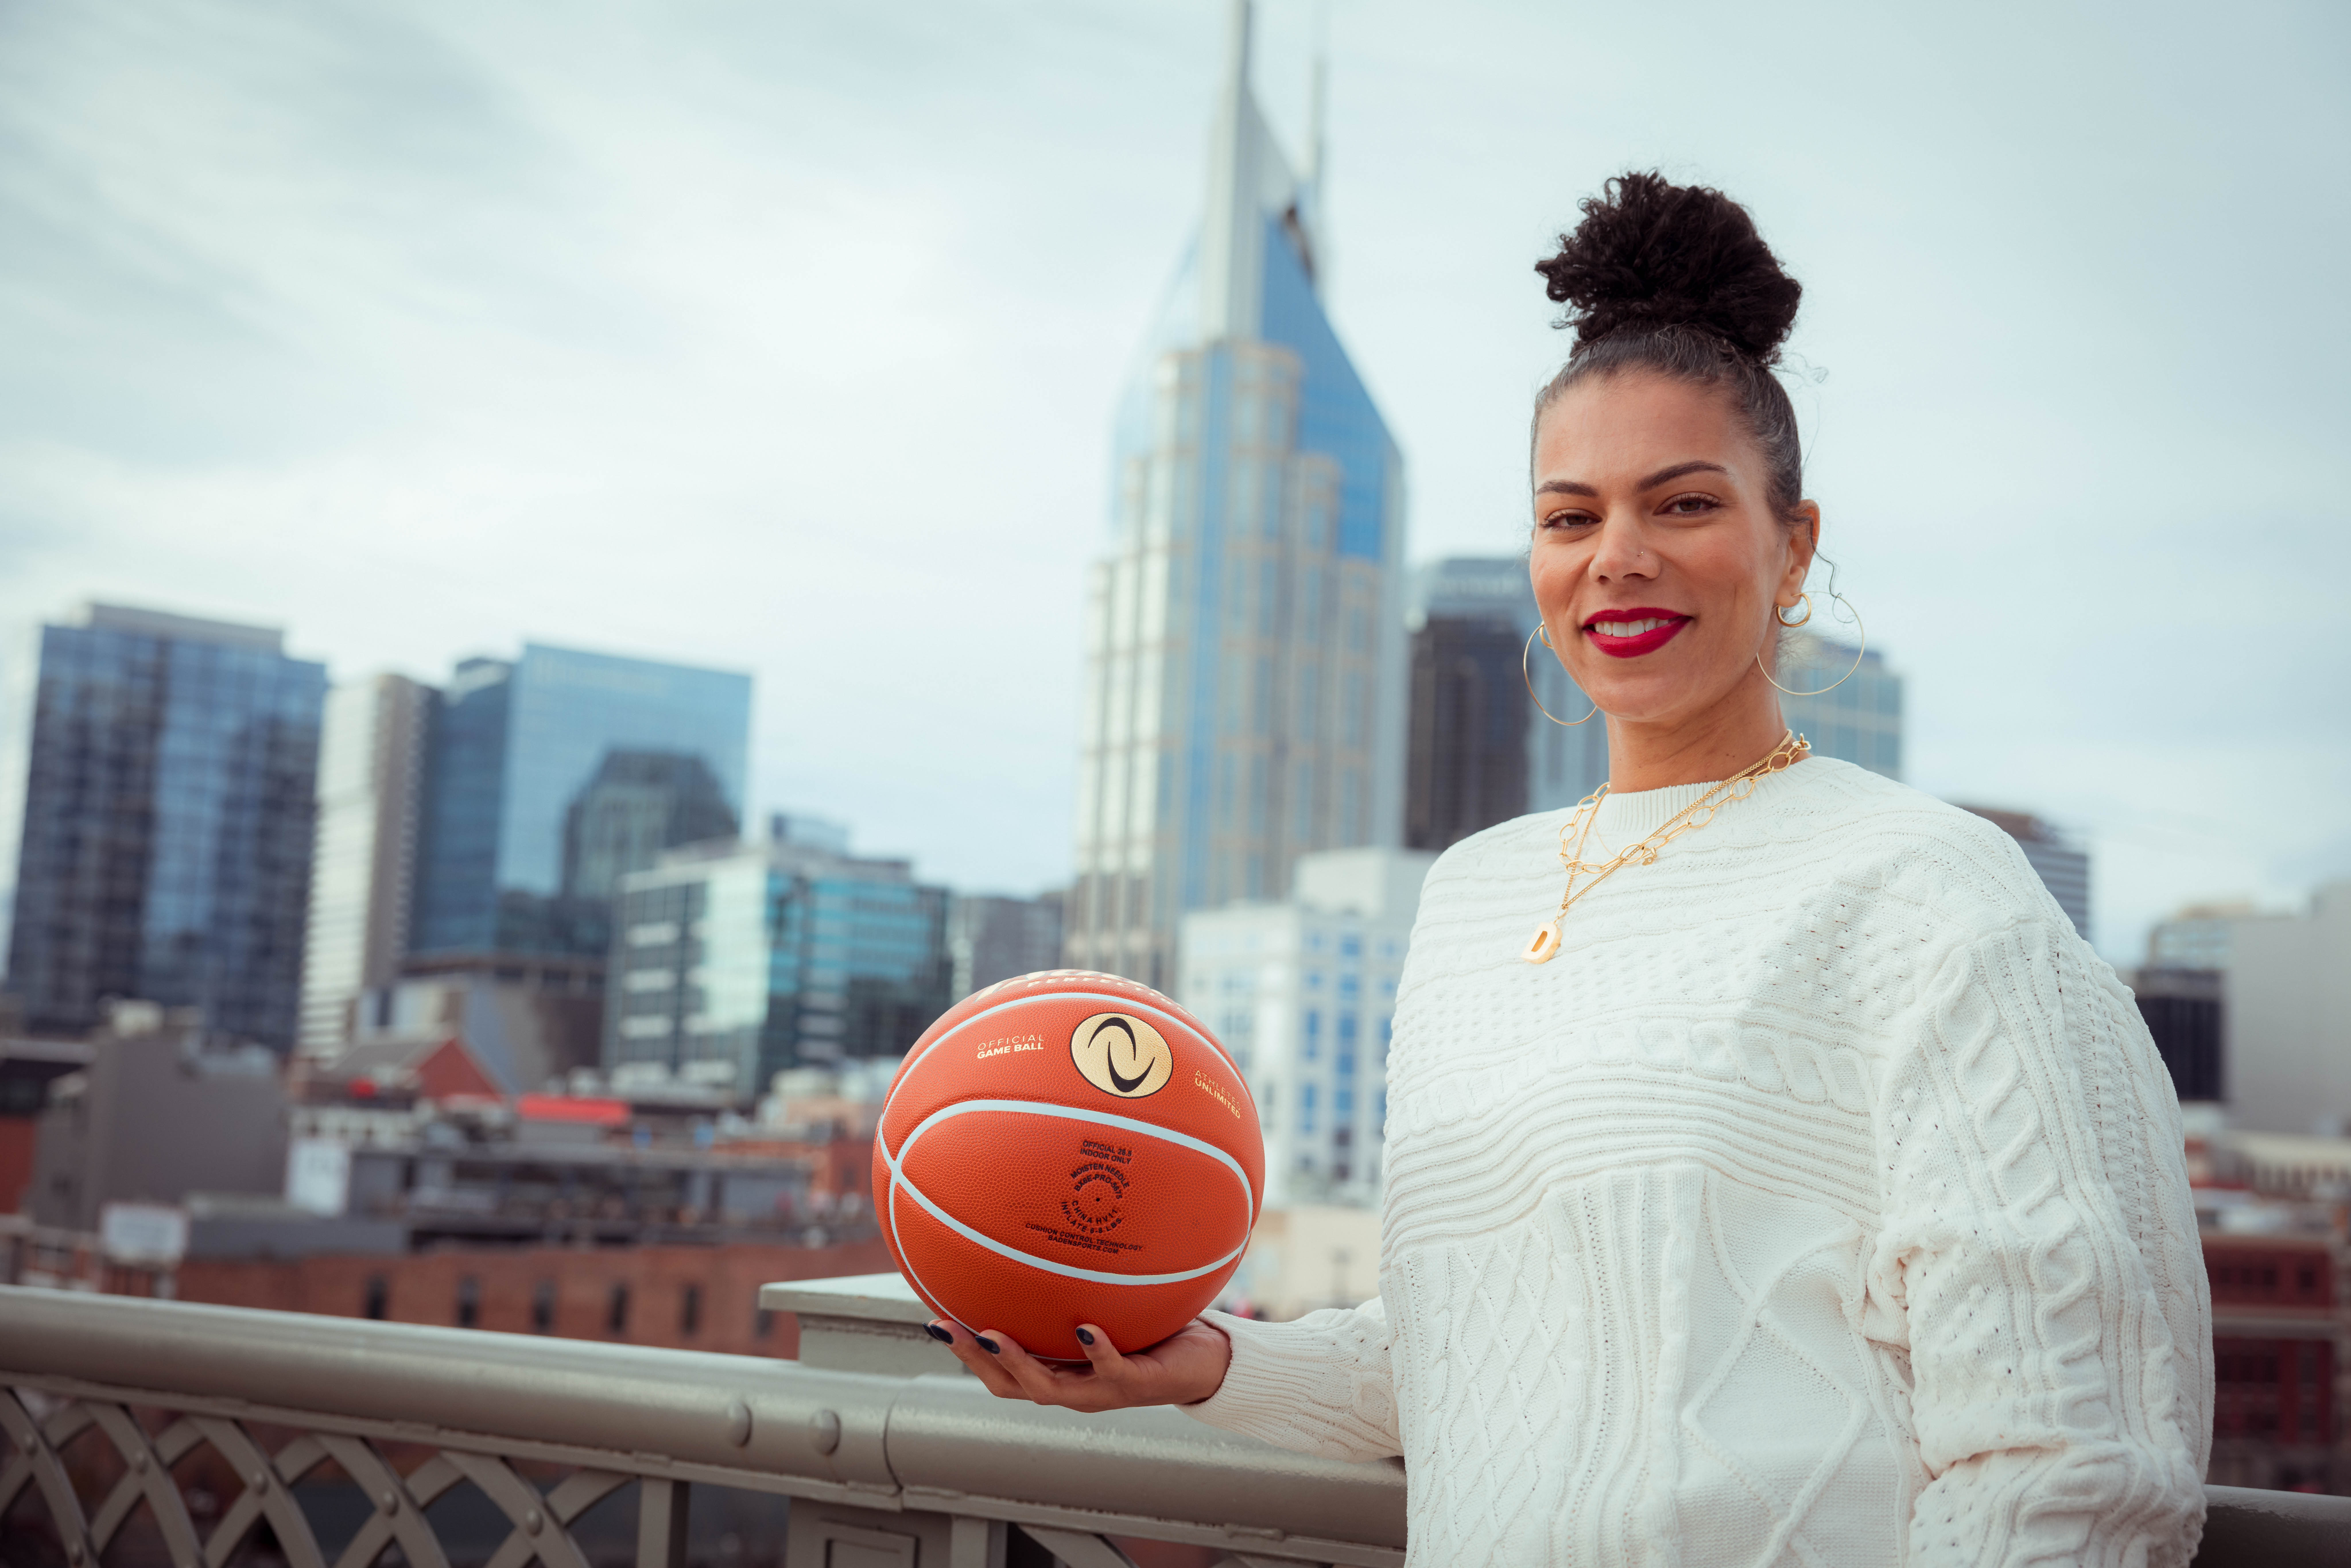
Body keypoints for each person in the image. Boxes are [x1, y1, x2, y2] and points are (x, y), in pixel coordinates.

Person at [932, 171, 2212, 1565]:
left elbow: (2067, 1464)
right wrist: (1200, 1364)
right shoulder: (1469, 896)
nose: (1617, 559)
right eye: (1567, 516)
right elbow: (1467, 1354)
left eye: (1680, 504)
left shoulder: (1930, 892)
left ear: (1792, 548)